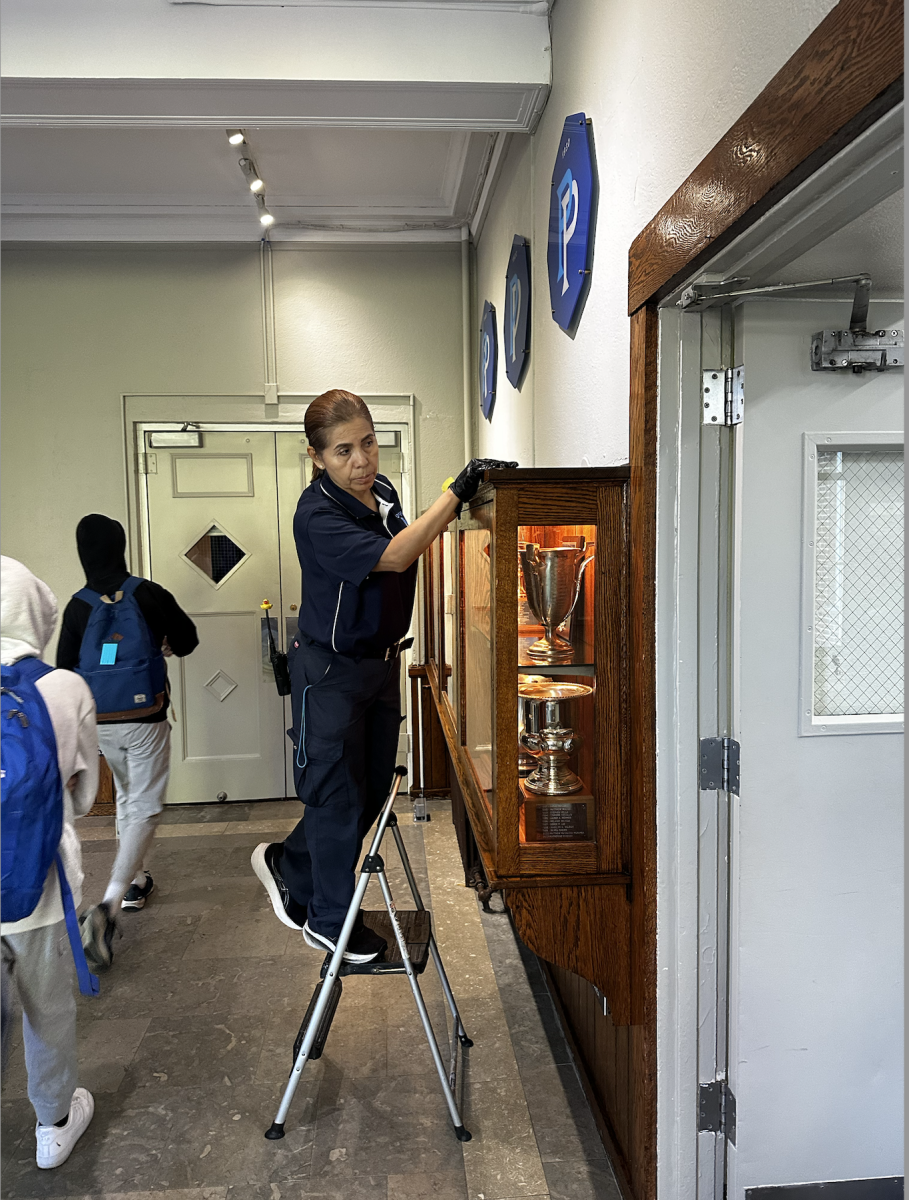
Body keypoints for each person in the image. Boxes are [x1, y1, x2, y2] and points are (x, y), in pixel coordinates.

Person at [251, 388, 516, 963]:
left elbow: (407, 541)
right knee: (334, 797)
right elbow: (396, 556)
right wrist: (456, 492)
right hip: (330, 672)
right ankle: (327, 922)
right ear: (316, 456)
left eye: (368, 443)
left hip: (380, 665)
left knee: (371, 788)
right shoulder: (317, 513)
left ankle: (288, 863)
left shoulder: (384, 492)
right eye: (343, 451)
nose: (362, 460)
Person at [56, 515, 198, 969]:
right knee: (145, 805)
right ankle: (110, 906)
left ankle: (136, 880)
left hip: (100, 721)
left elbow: (63, 671)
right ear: (120, 546)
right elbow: (188, 640)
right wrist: (166, 645)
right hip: (147, 717)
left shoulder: (78, 606)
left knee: (125, 795)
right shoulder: (146, 592)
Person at [1, 557, 99, 1169]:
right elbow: (86, 797)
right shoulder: (63, 688)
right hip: (38, 886)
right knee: (47, 1011)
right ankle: (53, 1125)